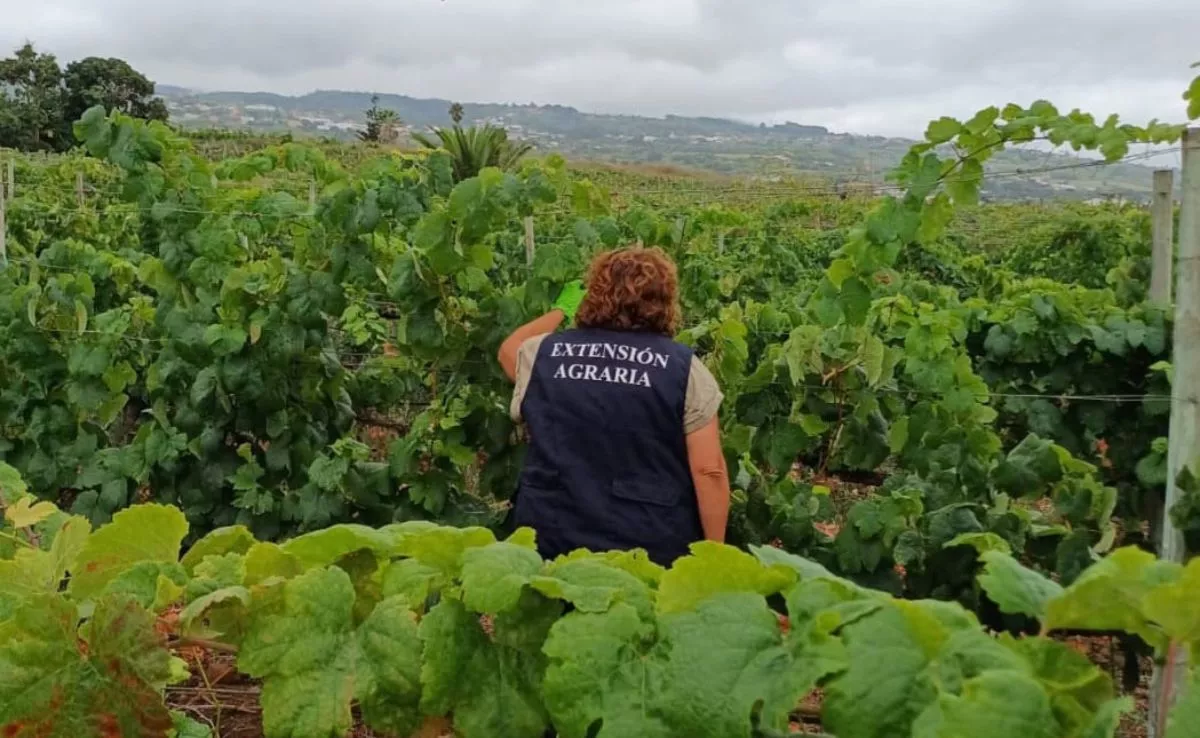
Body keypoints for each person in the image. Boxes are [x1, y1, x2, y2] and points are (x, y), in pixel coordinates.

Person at [498, 246, 730, 565]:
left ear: (593, 294)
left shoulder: (542, 354)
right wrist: (714, 556)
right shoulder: (685, 369)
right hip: (646, 548)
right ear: (665, 302)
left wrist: (561, 311)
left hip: (553, 540)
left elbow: (508, 350)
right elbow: (709, 470)